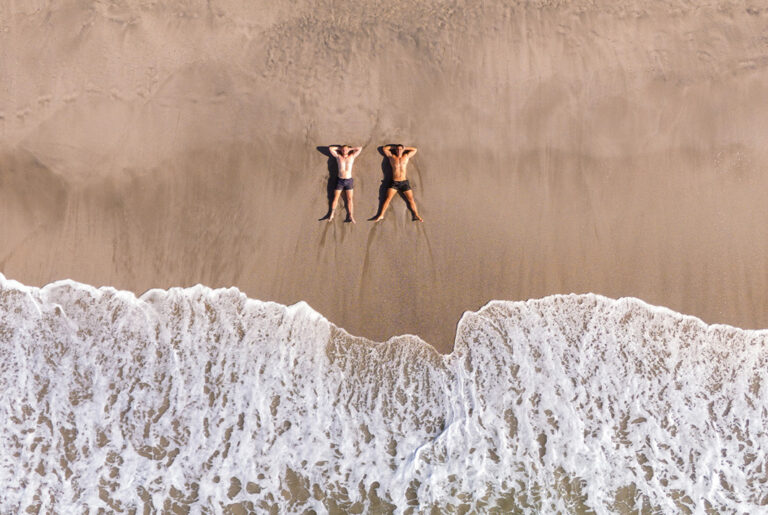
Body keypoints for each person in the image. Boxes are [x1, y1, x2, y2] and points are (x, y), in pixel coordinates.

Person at [373, 144, 423, 222]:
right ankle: (381, 215)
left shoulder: (406, 156)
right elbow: (384, 149)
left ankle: (416, 214)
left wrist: (404, 148)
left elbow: (415, 149)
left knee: (411, 199)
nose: (399, 151)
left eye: (400, 150)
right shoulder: (392, 157)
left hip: (404, 182)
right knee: (387, 199)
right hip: (394, 182)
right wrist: (395, 147)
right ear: (395, 150)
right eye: (397, 150)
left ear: (403, 150)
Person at [325, 144, 362, 223]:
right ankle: (332, 213)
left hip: (349, 180)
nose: (344, 151)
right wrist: (340, 148)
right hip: (340, 180)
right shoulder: (338, 156)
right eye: (343, 150)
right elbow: (331, 149)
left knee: (349, 199)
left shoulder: (352, 156)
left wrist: (349, 149)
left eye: (346, 150)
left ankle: (350, 215)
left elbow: (360, 148)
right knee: (336, 198)